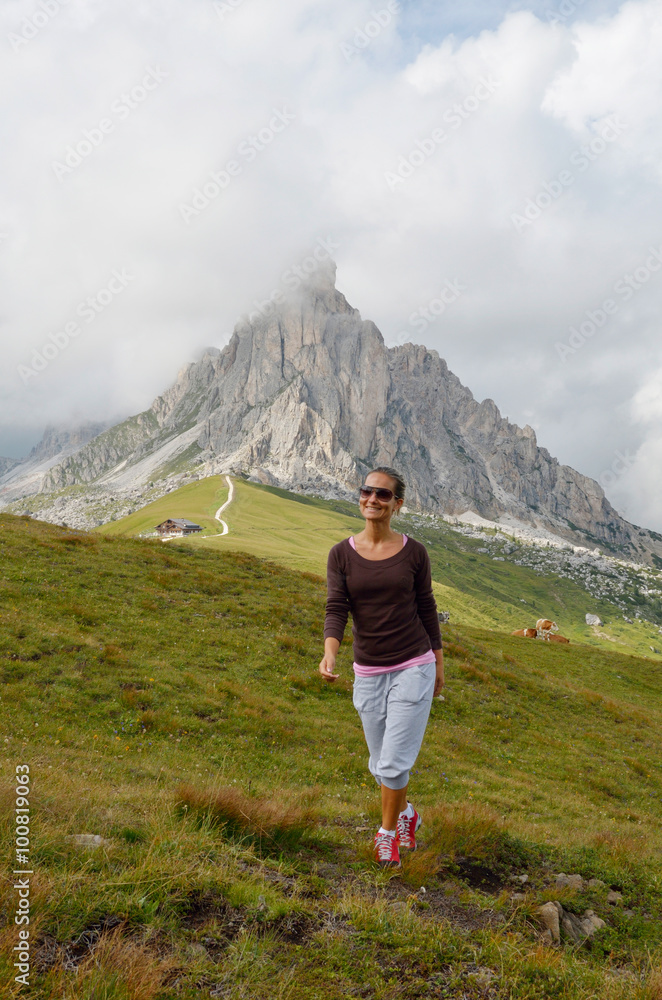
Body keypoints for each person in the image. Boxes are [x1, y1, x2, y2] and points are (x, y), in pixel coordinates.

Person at [319, 467, 444, 868]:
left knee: (393, 762)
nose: (372, 499)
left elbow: (427, 608)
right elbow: (337, 607)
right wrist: (331, 652)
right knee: (380, 765)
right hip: (369, 669)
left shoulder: (415, 552)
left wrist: (438, 665)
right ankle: (407, 815)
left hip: (414, 664)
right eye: (366, 491)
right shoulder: (341, 553)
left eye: (383, 495)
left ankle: (386, 835)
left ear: (397, 504)